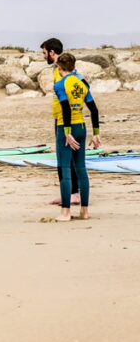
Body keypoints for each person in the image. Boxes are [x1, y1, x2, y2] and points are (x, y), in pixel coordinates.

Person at [53, 53, 100, 222]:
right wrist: (96, 134)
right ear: (74, 67)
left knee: (65, 169)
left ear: (59, 67)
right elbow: (94, 110)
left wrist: (66, 133)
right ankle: (85, 212)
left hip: (68, 129)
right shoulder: (82, 83)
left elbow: (65, 108)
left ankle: (66, 213)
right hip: (82, 128)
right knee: (81, 169)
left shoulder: (60, 85)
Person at [41, 38, 81, 206]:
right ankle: (70, 193)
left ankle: (73, 194)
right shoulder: (63, 70)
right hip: (61, 118)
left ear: (52, 52)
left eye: (44, 53)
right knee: (66, 158)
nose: (43, 56)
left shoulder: (62, 71)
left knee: (64, 159)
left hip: (65, 119)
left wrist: (65, 124)